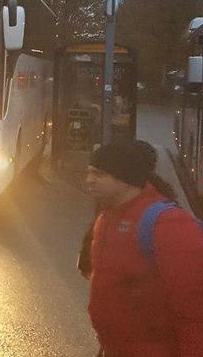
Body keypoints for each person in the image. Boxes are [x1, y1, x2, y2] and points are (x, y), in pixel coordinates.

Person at [83, 139, 203, 355]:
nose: (89, 180)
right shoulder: (106, 219)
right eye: (89, 172)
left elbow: (195, 314)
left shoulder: (168, 224)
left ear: (125, 178)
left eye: (99, 174)